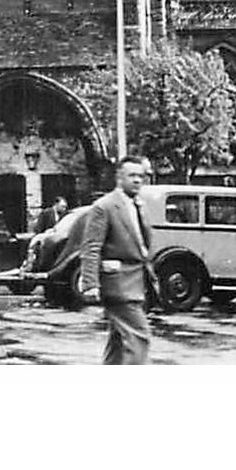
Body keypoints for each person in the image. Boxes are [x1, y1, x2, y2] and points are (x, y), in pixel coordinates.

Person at [79, 156, 158, 365]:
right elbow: (91, 246)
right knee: (139, 337)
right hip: (117, 285)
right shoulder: (104, 206)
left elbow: (142, 244)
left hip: (137, 282)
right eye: (132, 175)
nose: (137, 180)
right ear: (119, 178)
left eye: (141, 176)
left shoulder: (139, 205)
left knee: (118, 342)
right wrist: (90, 284)